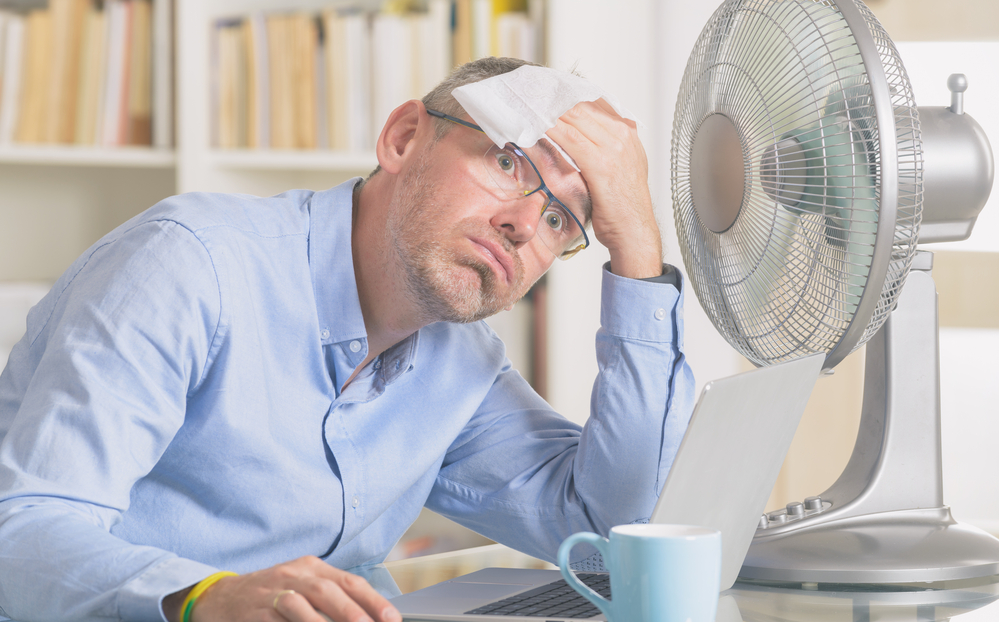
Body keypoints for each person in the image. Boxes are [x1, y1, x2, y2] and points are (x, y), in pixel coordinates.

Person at [0, 57, 694, 622]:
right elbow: (23, 531)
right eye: (509, 162)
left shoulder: (461, 366)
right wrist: (202, 596)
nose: (521, 223)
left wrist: (634, 243)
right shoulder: (190, 264)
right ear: (401, 139)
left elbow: (616, 533)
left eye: (559, 222)